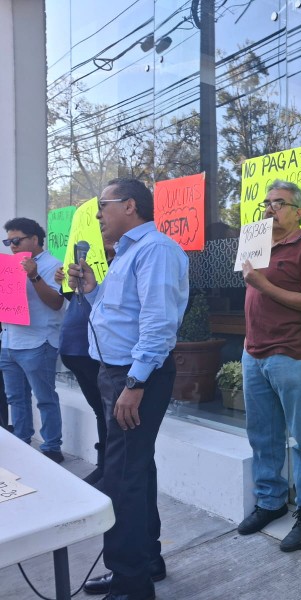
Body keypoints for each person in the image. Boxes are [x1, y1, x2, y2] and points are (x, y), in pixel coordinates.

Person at [68, 178, 189, 600]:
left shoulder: (155, 250)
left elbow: (158, 323)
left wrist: (135, 383)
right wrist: (90, 290)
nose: (98, 215)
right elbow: (123, 312)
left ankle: (129, 583)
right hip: (117, 373)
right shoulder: (127, 252)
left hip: (135, 377)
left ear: (131, 207)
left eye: (104, 206)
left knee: (123, 478)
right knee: (135, 470)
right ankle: (146, 562)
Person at [236, 179, 301, 552]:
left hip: (289, 352)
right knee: (263, 434)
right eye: (267, 203)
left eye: (279, 203)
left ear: (299, 211)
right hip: (253, 351)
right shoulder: (257, 242)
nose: (270, 209)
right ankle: (271, 502)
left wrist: (262, 284)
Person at [1, 217, 65, 462]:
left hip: (38, 342)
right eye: (8, 241)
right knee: (15, 398)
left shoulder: (52, 265)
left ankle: (51, 447)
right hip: (9, 342)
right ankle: (22, 442)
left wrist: (34, 276)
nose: (12, 246)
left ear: (35, 239)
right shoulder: (9, 265)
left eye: (17, 240)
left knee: (45, 398)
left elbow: (57, 302)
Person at [54, 242, 115, 484]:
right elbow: (74, 299)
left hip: (95, 351)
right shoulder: (87, 266)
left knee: (108, 412)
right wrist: (65, 282)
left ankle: (108, 469)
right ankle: (104, 467)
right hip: (75, 348)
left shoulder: (124, 265)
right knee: (101, 411)